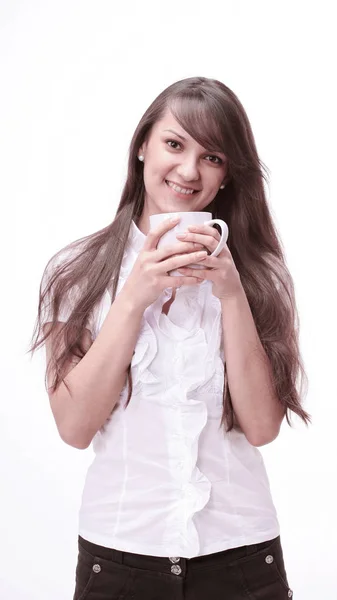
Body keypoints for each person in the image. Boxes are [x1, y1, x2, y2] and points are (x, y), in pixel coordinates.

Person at [29, 76, 310, 599]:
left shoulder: (259, 275)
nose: (187, 170)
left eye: (213, 157)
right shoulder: (76, 271)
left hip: (243, 555)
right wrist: (133, 295)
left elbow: (262, 426)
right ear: (142, 146)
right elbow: (74, 426)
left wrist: (231, 296)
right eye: (174, 144)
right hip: (117, 558)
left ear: (228, 175)